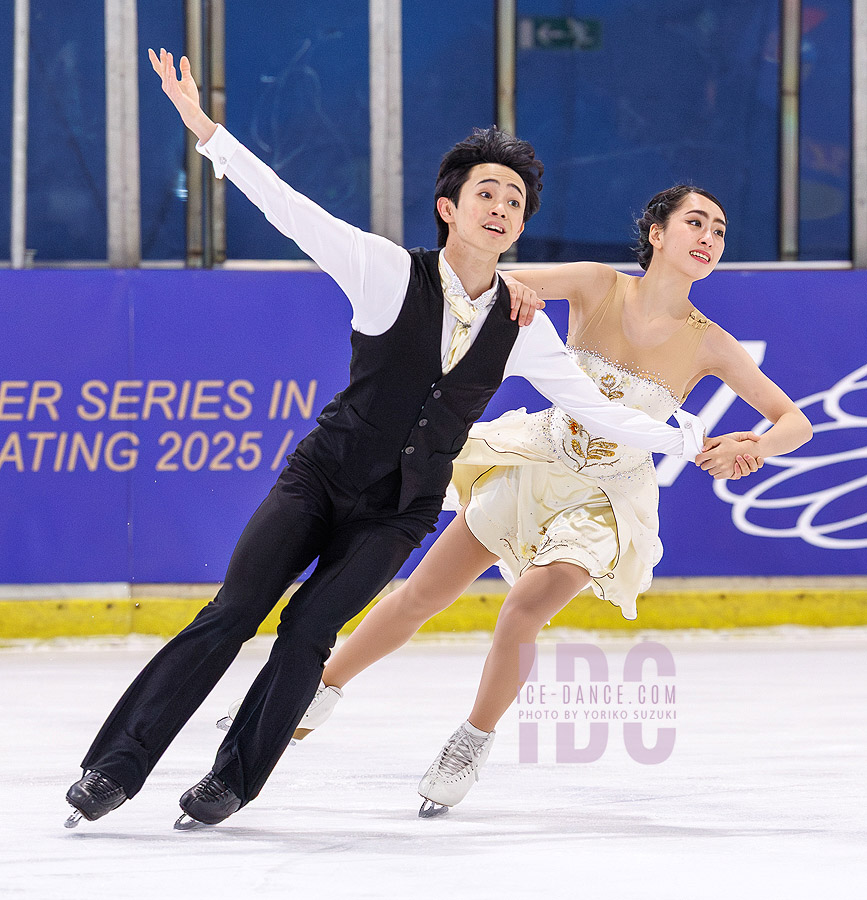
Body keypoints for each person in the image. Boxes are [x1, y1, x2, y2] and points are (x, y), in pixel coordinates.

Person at [63, 51, 706, 830]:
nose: (499, 207)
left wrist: (686, 438)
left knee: (308, 632)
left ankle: (231, 781)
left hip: (397, 509)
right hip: (320, 478)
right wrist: (206, 132)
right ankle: (114, 768)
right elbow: (290, 208)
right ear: (449, 207)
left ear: (521, 224)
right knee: (232, 613)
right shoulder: (385, 270)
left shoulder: (521, 323)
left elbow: (596, 408)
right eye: (485, 193)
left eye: (513, 200)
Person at [268, 184, 813, 817]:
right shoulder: (595, 284)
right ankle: (316, 692)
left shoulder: (710, 342)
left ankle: (471, 740)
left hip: (607, 498)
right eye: (696, 223)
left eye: (719, 231)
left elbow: (793, 421)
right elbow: (483, 278)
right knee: (423, 592)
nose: (709, 239)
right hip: (537, 462)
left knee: (527, 603)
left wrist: (754, 449)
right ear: (657, 233)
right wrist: (516, 290)